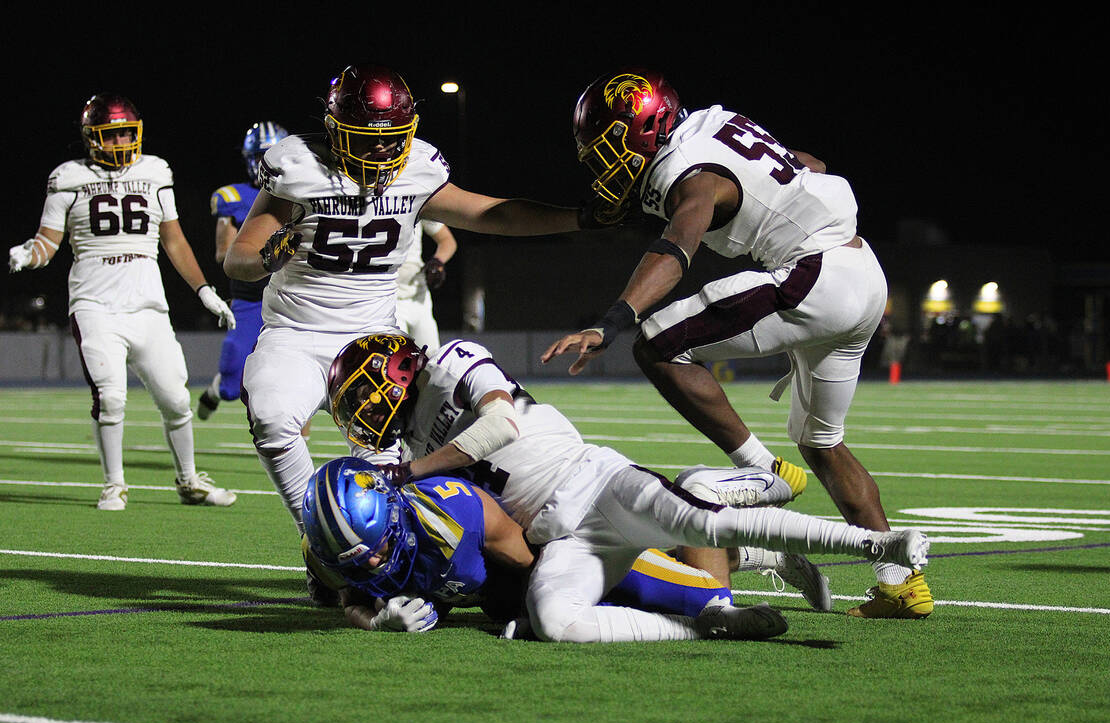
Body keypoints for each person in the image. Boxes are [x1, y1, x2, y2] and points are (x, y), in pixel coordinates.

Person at [540, 70, 932, 618]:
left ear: (647, 127)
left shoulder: (689, 171)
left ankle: (763, 469)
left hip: (815, 274)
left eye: (609, 146)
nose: (603, 163)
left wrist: (612, 320)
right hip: (864, 272)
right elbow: (811, 164)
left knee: (655, 344)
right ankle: (901, 585)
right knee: (821, 442)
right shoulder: (714, 126)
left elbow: (678, 245)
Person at [325, 333, 928, 642]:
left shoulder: (451, 362)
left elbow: (502, 421)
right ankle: (706, 623)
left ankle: (882, 546)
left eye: (358, 396)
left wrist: (418, 470)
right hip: (559, 535)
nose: (358, 412)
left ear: (392, 373)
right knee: (555, 620)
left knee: (705, 522)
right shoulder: (408, 448)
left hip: (595, 481)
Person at [223, 63, 604, 530]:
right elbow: (237, 257)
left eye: (393, 135)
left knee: (381, 461)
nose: (383, 146)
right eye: (368, 135)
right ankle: (319, 538)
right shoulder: (300, 167)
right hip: (297, 332)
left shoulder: (417, 172)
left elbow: (491, 214)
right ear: (336, 130)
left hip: (373, 341)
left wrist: (580, 218)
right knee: (271, 417)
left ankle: (377, 550)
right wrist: (266, 258)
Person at [7, 93, 237, 511]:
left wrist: (204, 290)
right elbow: (48, 243)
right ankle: (115, 484)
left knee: (177, 399)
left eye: (127, 133)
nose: (121, 141)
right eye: (112, 135)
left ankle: (189, 481)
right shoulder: (68, 176)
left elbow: (173, 239)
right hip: (95, 305)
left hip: (148, 304)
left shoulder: (154, 170)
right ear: (92, 138)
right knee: (111, 397)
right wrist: (27, 253)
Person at [301, 456, 788, 640]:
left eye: (379, 548)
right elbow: (352, 596)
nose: (375, 563)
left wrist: (539, 610)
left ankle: (705, 489)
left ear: (395, 512)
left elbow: (538, 558)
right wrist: (376, 621)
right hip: (497, 591)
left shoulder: (455, 515)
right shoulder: (335, 552)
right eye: (359, 560)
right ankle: (749, 555)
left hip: (553, 543)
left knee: (703, 601)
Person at [196, 121, 291, 423]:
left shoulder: (302, 191)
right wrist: (265, 253)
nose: (266, 163)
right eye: (260, 156)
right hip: (251, 297)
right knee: (233, 380)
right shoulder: (233, 197)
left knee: (295, 374)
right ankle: (215, 390)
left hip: (293, 293)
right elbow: (224, 253)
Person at [395, 218, 457, 352]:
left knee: (431, 359)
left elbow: (447, 240)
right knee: (397, 358)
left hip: (418, 294)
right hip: (387, 295)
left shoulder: (415, 199)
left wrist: (437, 262)